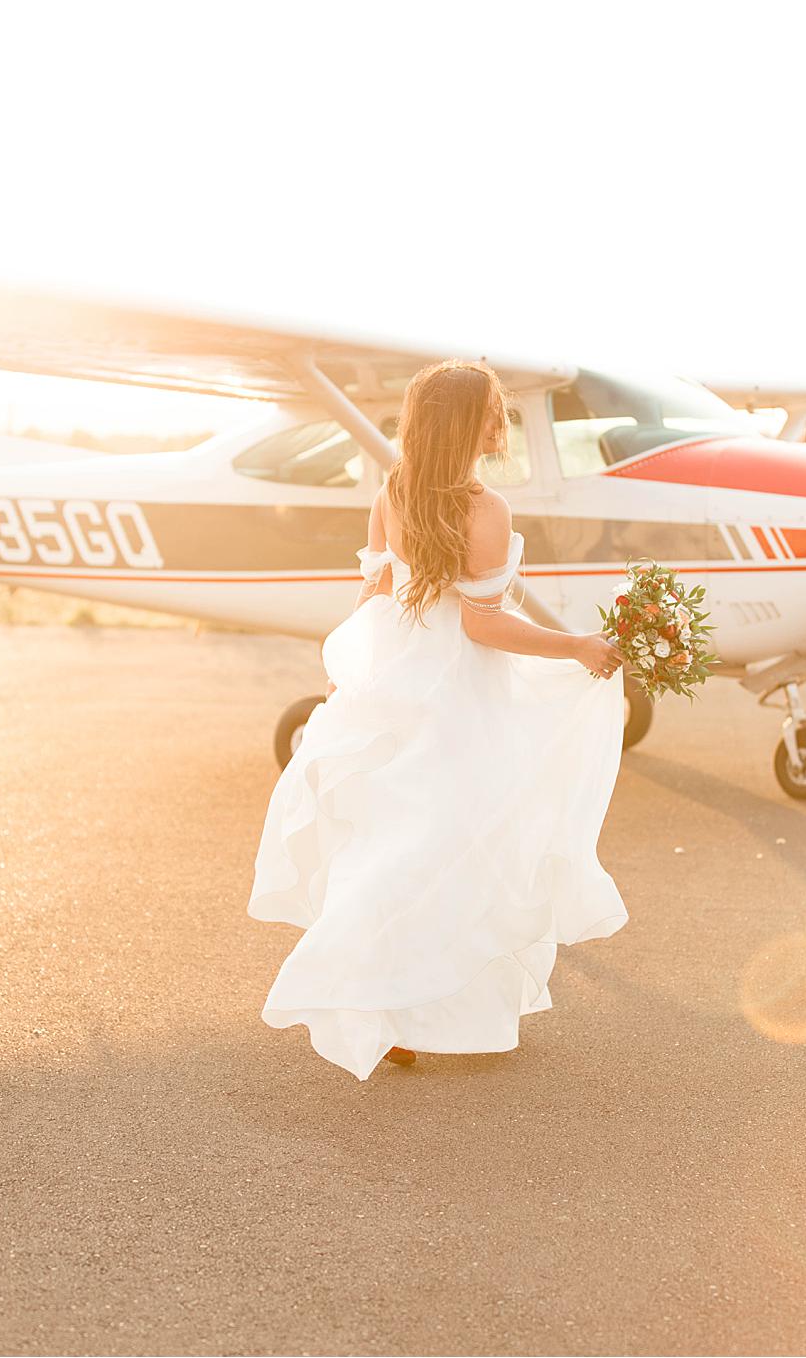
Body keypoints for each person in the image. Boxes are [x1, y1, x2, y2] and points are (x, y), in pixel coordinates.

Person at [248, 358, 629, 1081]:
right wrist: (576, 647)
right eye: (492, 410)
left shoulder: (393, 490)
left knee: (406, 837)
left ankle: (392, 1000)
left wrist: (354, 672)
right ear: (465, 422)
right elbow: (482, 625)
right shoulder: (485, 510)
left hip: (400, 668)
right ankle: (377, 992)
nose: (502, 422)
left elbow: (373, 593)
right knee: (462, 840)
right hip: (455, 684)